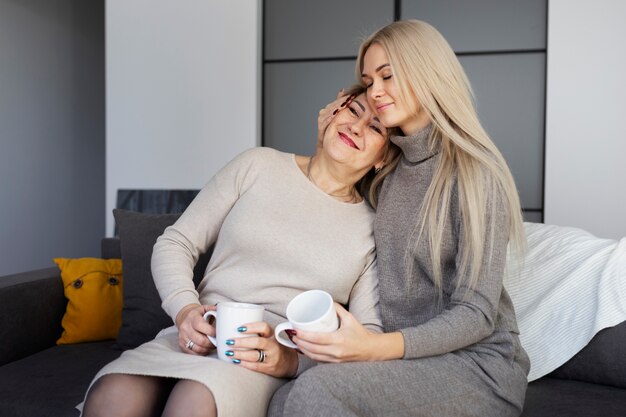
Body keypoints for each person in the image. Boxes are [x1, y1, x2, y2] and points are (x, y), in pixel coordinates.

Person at [81, 86, 400, 417]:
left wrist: (293, 361)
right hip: (196, 333)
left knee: (194, 398)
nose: (357, 126)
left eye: (375, 127)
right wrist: (185, 311)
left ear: (383, 157)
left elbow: (366, 337)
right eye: (353, 110)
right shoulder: (257, 164)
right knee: (113, 393)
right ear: (334, 111)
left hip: (259, 361)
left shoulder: (371, 230)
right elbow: (176, 242)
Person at [269, 19, 530, 417]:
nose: (374, 92)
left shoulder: (476, 173)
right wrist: (325, 144)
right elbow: (329, 210)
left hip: (477, 365)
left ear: (427, 72)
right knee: (284, 398)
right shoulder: (387, 169)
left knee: (315, 393)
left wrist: (373, 349)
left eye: (387, 76)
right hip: (406, 360)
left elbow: (476, 313)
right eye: (368, 80)